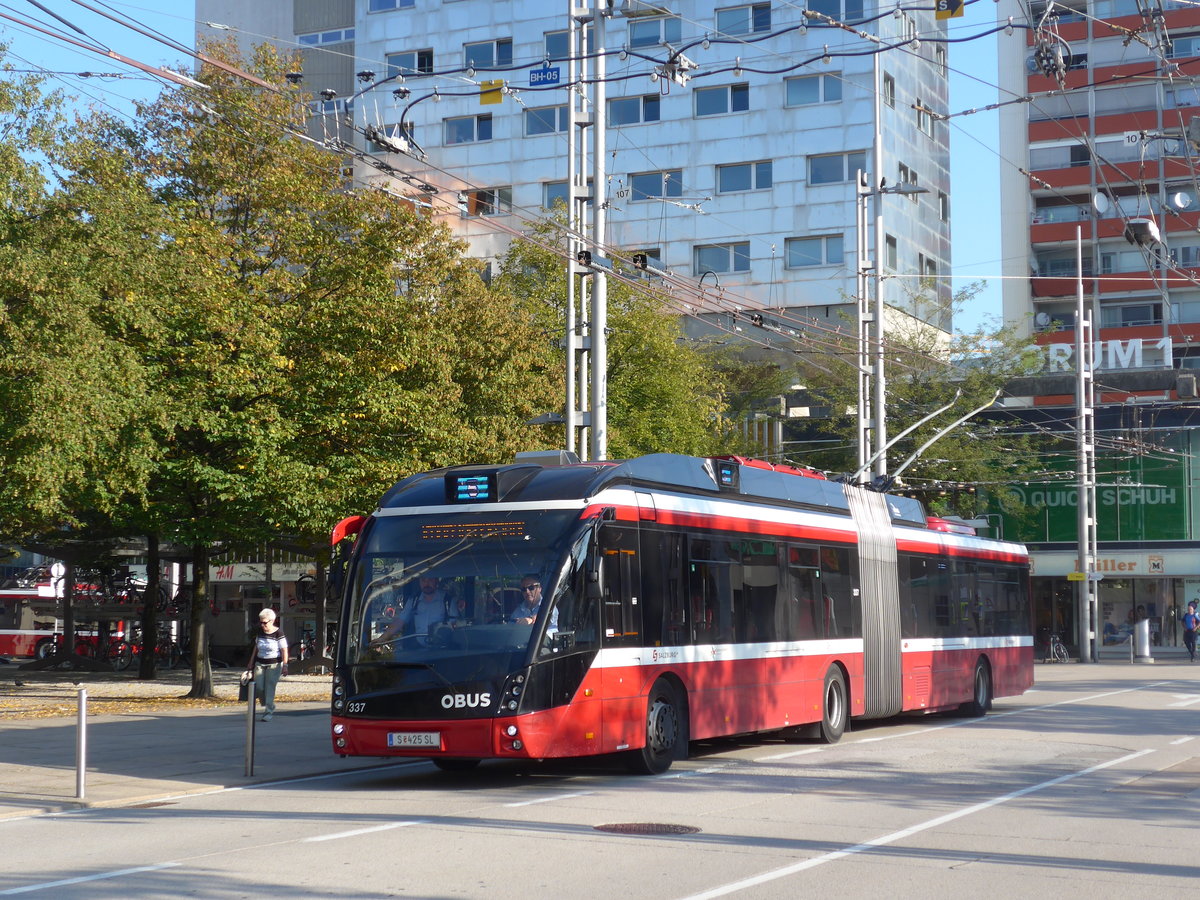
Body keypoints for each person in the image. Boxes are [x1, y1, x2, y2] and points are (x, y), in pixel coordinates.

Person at [374, 576, 456, 645]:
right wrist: (383, 638)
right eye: (423, 580)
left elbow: (455, 626)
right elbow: (400, 621)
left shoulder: (447, 601)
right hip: (417, 652)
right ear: (419, 582)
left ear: (437, 581)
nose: (426, 584)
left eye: (430, 579)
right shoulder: (413, 600)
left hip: (443, 650)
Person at [245, 609, 288, 722]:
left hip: (274, 664)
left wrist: (285, 665)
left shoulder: (279, 633)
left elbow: (284, 650)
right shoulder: (260, 632)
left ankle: (268, 711)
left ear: (272, 621)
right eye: (261, 622)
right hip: (260, 663)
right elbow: (256, 647)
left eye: (265, 622)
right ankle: (267, 703)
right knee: (259, 687)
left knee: (270, 688)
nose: (262, 624)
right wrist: (251, 662)